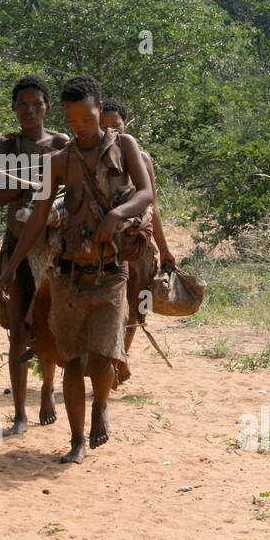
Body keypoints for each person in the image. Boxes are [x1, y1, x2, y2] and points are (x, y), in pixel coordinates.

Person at [0, 75, 153, 464]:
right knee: (72, 360)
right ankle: (76, 441)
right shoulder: (60, 161)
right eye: (74, 120)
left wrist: (116, 214)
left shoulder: (126, 147)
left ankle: (100, 405)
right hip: (67, 272)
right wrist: (12, 265)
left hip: (111, 271)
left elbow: (148, 193)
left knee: (101, 358)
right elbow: (38, 218)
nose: (81, 126)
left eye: (88, 117)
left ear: (100, 109)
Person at [0, 75, 69, 433]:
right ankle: (20, 412)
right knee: (18, 330)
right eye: (22, 104)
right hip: (16, 245)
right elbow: (0, 195)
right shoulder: (8, 145)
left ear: (47, 106)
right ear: (14, 107)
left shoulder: (62, 142)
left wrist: (26, 182)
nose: (29, 110)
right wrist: (40, 181)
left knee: (49, 326)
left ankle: (49, 389)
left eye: (36, 103)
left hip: (52, 247)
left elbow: (71, 192)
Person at [100, 99, 176, 380]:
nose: (111, 134)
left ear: (126, 126)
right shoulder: (88, 158)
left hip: (138, 246)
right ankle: (106, 363)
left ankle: (120, 361)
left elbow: (151, 206)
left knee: (136, 307)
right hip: (104, 244)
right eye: (103, 127)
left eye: (116, 127)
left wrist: (165, 250)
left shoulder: (142, 159)